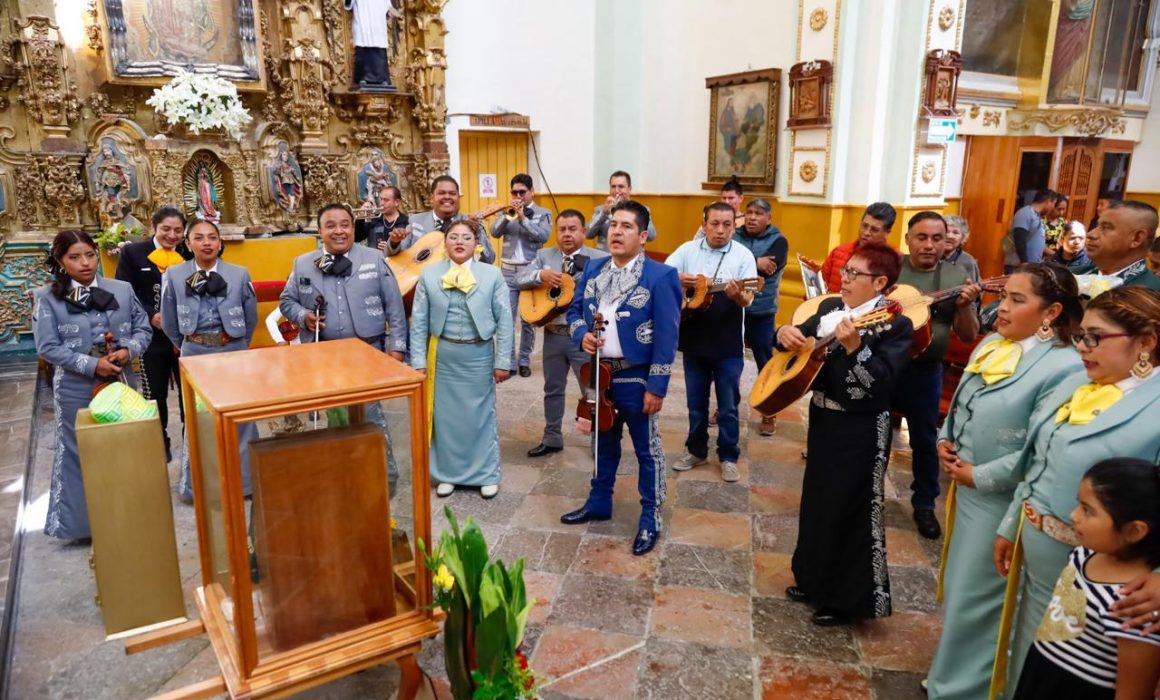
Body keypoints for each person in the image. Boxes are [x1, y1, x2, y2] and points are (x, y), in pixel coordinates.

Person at [978, 286, 1160, 694]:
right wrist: (1014, 524)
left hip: (1107, 583)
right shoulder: (1079, 381)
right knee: (1035, 657)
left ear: (1145, 341)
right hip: (1049, 561)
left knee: (1073, 677)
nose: (1083, 347)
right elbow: (1037, 461)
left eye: (1095, 337)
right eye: (1081, 336)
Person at [925, 263, 1084, 700]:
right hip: (966, 491)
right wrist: (945, 438)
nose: (1001, 308)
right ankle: (950, 672)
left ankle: (967, 689)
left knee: (982, 600)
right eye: (1004, 296)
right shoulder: (995, 343)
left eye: (1017, 300)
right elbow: (960, 402)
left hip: (1002, 500)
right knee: (959, 590)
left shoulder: (1064, 367)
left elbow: (1040, 446)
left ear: (1051, 311)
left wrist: (982, 474)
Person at [778, 241, 915, 626]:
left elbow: (882, 385)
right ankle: (812, 579)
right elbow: (796, 340)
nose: (844, 278)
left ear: (880, 282)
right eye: (846, 271)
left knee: (851, 507)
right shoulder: (828, 308)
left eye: (855, 274)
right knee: (818, 501)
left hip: (862, 427)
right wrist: (785, 333)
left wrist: (857, 350)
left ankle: (845, 598)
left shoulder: (895, 325)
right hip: (824, 420)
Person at [560, 201, 681, 556]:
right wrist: (581, 332)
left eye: (627, 226)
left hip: (637, 378)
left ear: (642, 236)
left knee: (648, 450)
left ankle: (650, 517)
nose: (616, 231)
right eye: (613, 224)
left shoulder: (661, 276)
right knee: (602, 442)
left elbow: (667, 337)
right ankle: (599, 501)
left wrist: (657, 387)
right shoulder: (594, 267)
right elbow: (572, 308)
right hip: (599, 374)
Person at [278, 204, 409, 487]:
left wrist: (397, 348)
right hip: (324, 355)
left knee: (370, 413)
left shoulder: (374, 258)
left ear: (353, 228)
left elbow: (394, 307)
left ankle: (383, 474)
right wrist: (304, 316)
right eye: (331, 225)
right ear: (320, 231)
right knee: (335, 413)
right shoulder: (302, 264)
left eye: (345, 225)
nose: (339, 231)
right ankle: (341, 469)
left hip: (368, 351)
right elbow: (286, 301)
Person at [34, 231, 152, 541]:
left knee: (125, 444)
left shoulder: (122, 290)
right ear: (61, 261)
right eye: (74, 257)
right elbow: (48, 347)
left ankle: (128, 517)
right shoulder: (48, 298)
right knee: (78, 451)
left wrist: (128, 350)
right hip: (75, 386)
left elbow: (143, 329)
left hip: (123, 380)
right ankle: (83, 526)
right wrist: (91, 364)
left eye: (89, 254)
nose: (85, 263)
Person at [1011, 458, 1160, 700]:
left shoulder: (1137, 604)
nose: (1073, 515)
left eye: (1088, 510)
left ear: (1134, 531)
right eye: (1078, 504)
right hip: (1040, 676)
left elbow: (1132, 694)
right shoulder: (1083, 555)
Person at [408, 220, 513, 498]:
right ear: (445, 243)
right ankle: (448, 474)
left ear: (476, 243)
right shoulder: (430, 276)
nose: (459, 242)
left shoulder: (492, 275)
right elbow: (418, 322)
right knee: (446, 418)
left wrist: (503, 361)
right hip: (443, 357)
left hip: (478, 356)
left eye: (466, 237)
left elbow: (505, 320)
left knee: (481, 416)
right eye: (453, 237)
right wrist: (417, 360)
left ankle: (485, 474)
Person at [895, 211, 981, 540]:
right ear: (908, 240)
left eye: (938, 239)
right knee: (872, 433)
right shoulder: (892, 270)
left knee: (924, 440)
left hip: (926, 371)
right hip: (885, 369)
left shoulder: (956, 275)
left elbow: (969, 334)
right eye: (922, 237)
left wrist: (963, 306)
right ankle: (866, 494)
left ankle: (924, 504)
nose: (930, 245)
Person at [161, 220, 258, 504]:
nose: (206, 243)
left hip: (233, 350)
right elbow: (169, 321)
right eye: (199, 238)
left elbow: (250, 317)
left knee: (240, 416)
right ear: (188, 243)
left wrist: (238, 342)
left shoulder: (238, 274)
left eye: (212, 237)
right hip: (196, 353)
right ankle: (198, 486)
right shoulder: (174, 275)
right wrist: (189, 345)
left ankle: (246, 484)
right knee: (199, 419)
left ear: (220, 242)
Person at [666, 203, 756, 481]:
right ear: (703, 224)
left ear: (734, 226)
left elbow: (749, 298)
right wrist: (678, 279)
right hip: (693, 340)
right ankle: (696, 450)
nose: (720, 230)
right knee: (695, 402)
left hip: (728, 343)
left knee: (728, 405)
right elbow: (661, 277)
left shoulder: (743, 255)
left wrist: (737, 296)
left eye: (727, 225)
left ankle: (728, 455)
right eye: (714, 224)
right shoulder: (687, 250)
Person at [516, 209, 608, 457]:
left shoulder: (600, 258)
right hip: (553, 334)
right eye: (562, 229)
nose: (567, 234)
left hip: (583, 338)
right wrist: (539, 275)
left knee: (591, 391)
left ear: (584, 231)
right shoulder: (545, 255)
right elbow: (519, 278)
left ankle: (599, 442)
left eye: (572, 229)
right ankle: (552, 437)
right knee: (552, 388)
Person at [116, 206, 191, 463]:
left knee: (189, 394)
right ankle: (160, 443)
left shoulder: (188, 252)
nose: (172, 235)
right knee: (154, 393)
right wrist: (150, 314)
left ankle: (192, 442)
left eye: (178, 230)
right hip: (151, 338)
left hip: (186, 339)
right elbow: (125, 291)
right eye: (166, 229)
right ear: (154, 227)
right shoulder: (133, 253)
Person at [734, 198, 789, 436]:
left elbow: (769, 270)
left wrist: (744, 265)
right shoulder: (735, 235)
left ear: (769, 218)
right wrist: (756, 262)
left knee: (766, 363)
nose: (752, 217)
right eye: (749, 212)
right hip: (735, 310)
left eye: (759, 213)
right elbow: (728, 266)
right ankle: (727, 407)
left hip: (762, 312)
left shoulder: (779, 241)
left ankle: (769, 410)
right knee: (729, 361)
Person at [491, 173, 552, 377]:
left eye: (522, 192)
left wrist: (523, 218)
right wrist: (505, 214)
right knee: (506, 319)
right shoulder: (507, 213)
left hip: (530, 270)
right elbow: (494, 233)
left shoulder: (543, 213)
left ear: (531, 192)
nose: (518, 195)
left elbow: (543, 236)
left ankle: (524, 360)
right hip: (507, 271)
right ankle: (509, 361)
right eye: (514, 192)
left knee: (528, 320)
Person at [387, 175, 495, 263]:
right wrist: (394, 243)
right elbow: (393, 257)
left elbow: (489, 259)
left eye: (452, 193)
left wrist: (477, 234)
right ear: (431, 198)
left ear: (458, 197)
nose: (447, 197)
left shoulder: (472, 223)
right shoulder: (416, 221)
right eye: (441, 193)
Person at [1076, 199, 1160, 291]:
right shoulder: (1071, 275)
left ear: (1137, 238)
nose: (1090, 234)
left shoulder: (1153, 291)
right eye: (1098, 226)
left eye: (1106, 227)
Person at [819, 203, 897, 293]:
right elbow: (820, 287)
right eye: (864, 226)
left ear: (887, 233)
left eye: (874, 230)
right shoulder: (839, 251)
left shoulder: (894, 262)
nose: (866, 233)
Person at [586, 171, 657, 250]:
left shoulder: (642, 209)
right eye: (613, 186)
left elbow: (651, 236)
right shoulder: (600, 210)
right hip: (606, 258)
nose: (616, 191)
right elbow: (587, 234)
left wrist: (637, 214)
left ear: (629, 189)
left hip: (631, 259)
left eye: (621, 186)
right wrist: (604, 213)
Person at [345, 0, 398, 89]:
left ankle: (382, 78)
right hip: (363, 22)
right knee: (363, 45)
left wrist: (394, 12)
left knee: (379, 47)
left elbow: (388, 7)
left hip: (378, 25)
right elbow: (348, 4)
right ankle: (363, 77)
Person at [1003, 189, 1057, 272]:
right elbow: (1019, 238)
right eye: (1053, 204)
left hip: (1030, 267)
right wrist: (1024, 262)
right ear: (1048, 202)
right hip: (1019, 267)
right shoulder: (1025, 213)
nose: (1053, 208)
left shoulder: (1037, 217)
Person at [357, 185, 409, 255]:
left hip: (398, 263)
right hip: (375, 261)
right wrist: (361, 216)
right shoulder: (374, 219)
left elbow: (410, 247)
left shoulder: (407, 221)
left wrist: (390, 247)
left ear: (396, 202)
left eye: (386, 200)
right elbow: (357, 238)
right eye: (381, 199)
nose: (381, 203)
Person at [942, 214, 981, 283]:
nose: (950, 236)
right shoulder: (930, 256)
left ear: (962, 238)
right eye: (946, 231)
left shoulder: (968, 261)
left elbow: (976, 289)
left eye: (955, 232)